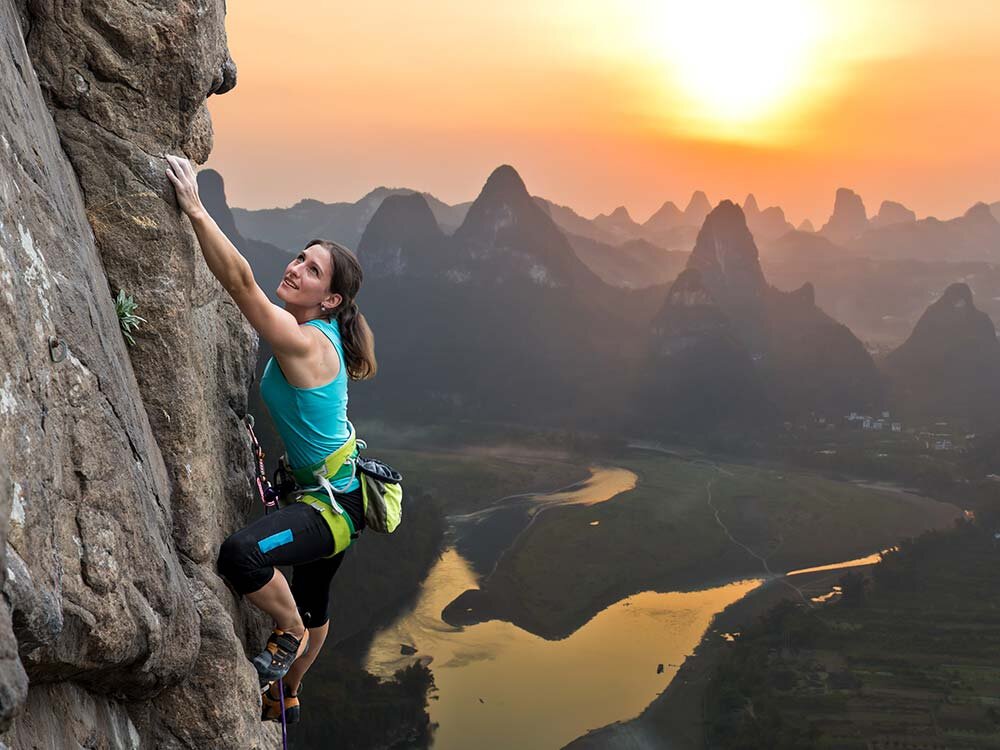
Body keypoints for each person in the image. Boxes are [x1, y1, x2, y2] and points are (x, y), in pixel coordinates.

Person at [166, 155, 377, 722]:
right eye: (300, 258)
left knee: (242, 557)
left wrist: (194, 208)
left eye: (312, 272)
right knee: (316, 600)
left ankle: (285, 635)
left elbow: (239, 283)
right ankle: (291, 691)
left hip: (330, 509)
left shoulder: (307, 341)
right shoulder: (323, 330)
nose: (296, 269)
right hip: (342, 492)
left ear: (329, 300)